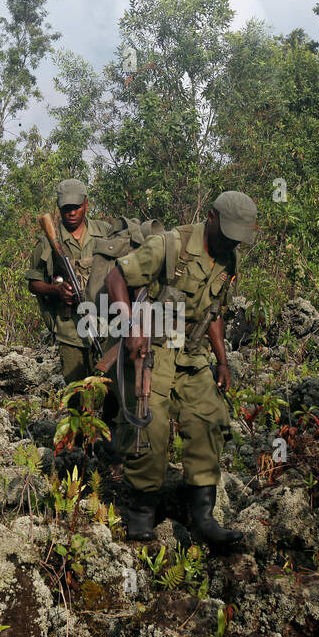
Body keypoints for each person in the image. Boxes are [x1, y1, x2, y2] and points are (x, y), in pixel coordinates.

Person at [102, 191, 257, 547]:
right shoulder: (170, 244)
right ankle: (141, 510)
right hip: (152, 348)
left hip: (191, 353)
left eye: (238, 236)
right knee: (149, 422)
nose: (231, 241)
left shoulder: (228, 259)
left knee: (209, 418)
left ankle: (202, 516)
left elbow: (213, 313)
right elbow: (116, 277)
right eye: (227, 232)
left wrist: (222, 360)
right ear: (211, 217)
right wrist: (130, 326)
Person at [24, 179, 119, 435]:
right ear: (59, 209)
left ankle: (110, 443)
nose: (72, 212)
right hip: (70, 331)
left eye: (77, 206)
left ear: (86, 204)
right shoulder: (47, 242)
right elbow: (33, 283)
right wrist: (56, 290)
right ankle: (82, 445)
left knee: (114, 389)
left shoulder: (105, 233)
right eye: (67, 208)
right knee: (78, 395)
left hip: (106, 327)